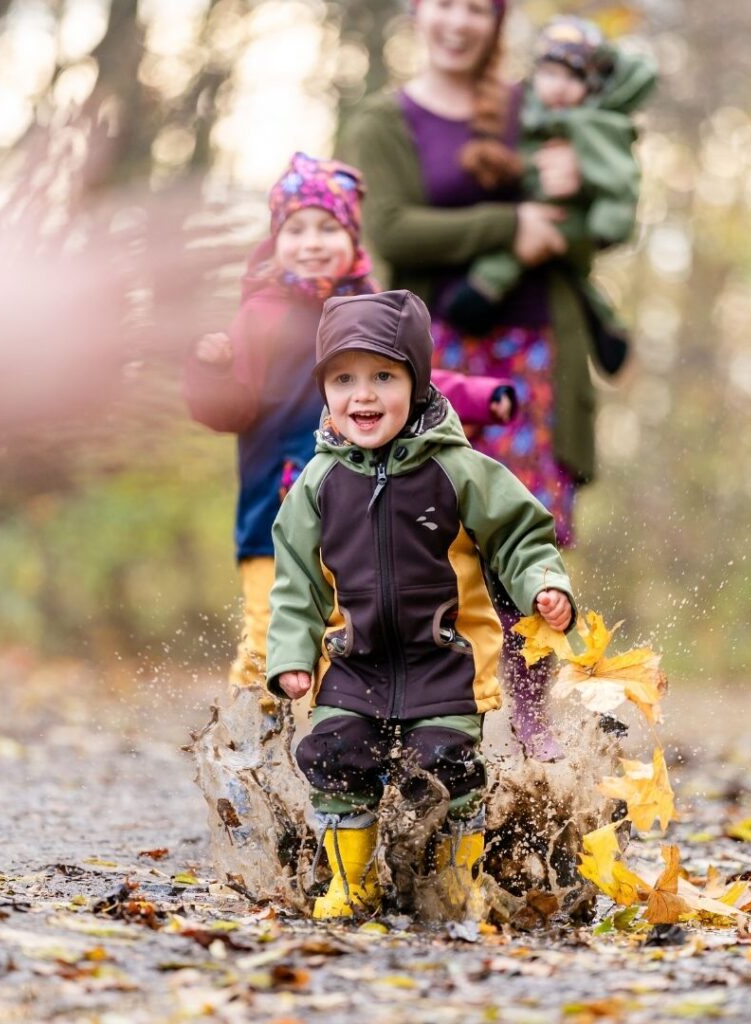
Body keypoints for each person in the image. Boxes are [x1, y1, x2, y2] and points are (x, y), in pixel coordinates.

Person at [339, 0, 650, 760]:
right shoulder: (386, 121)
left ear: (497, 20)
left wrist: (579, 183)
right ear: (418, 11)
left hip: (537, 353)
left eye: (479, 7)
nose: (460, 21)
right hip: (434, 354)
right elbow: (390, 232)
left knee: (526, 538)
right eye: (446, 3)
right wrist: (509, 226)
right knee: (426, 537)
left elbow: (595, 218)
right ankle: (432, 726)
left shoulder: (532, 106)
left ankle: (537, 740)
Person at [265, 290, 576, 919]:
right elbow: (296, 580)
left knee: (448, 769)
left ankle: (452, 880)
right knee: (335, 755)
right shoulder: (318, 485)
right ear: (324, 388)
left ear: (416, 379)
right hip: (353, 665)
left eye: (384, 376)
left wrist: (543, 582)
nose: (363, 396)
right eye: (344, 379)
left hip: (446, 665)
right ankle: (352, 882)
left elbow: (520, 533)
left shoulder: (460, 470)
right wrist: (291, 655)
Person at [185, 152, 516, 699]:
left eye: (327, 227)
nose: (311, 241)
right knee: (269, 634)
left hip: (360, 516)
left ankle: (341, 744)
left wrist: (482, 396)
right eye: (296, 228)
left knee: (347, 640)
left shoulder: (375, 313)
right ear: (275, 240)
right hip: (274, 510)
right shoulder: (259, 319)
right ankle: (251, 746)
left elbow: (423, 383)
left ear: (353, 239)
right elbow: (229, 411)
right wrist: (211, 371)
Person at [446, 16, 656, 348]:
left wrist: (606, 226)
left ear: (594, 87)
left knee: (511, 255)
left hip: (569, 218)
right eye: (551, 74)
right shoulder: (525, 112)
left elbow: (619, 179)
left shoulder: (595, 124)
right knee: (569, 273)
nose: (559, 86)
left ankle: (481, 292)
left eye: (574, 78)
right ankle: (606, 325)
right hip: (535, 208)